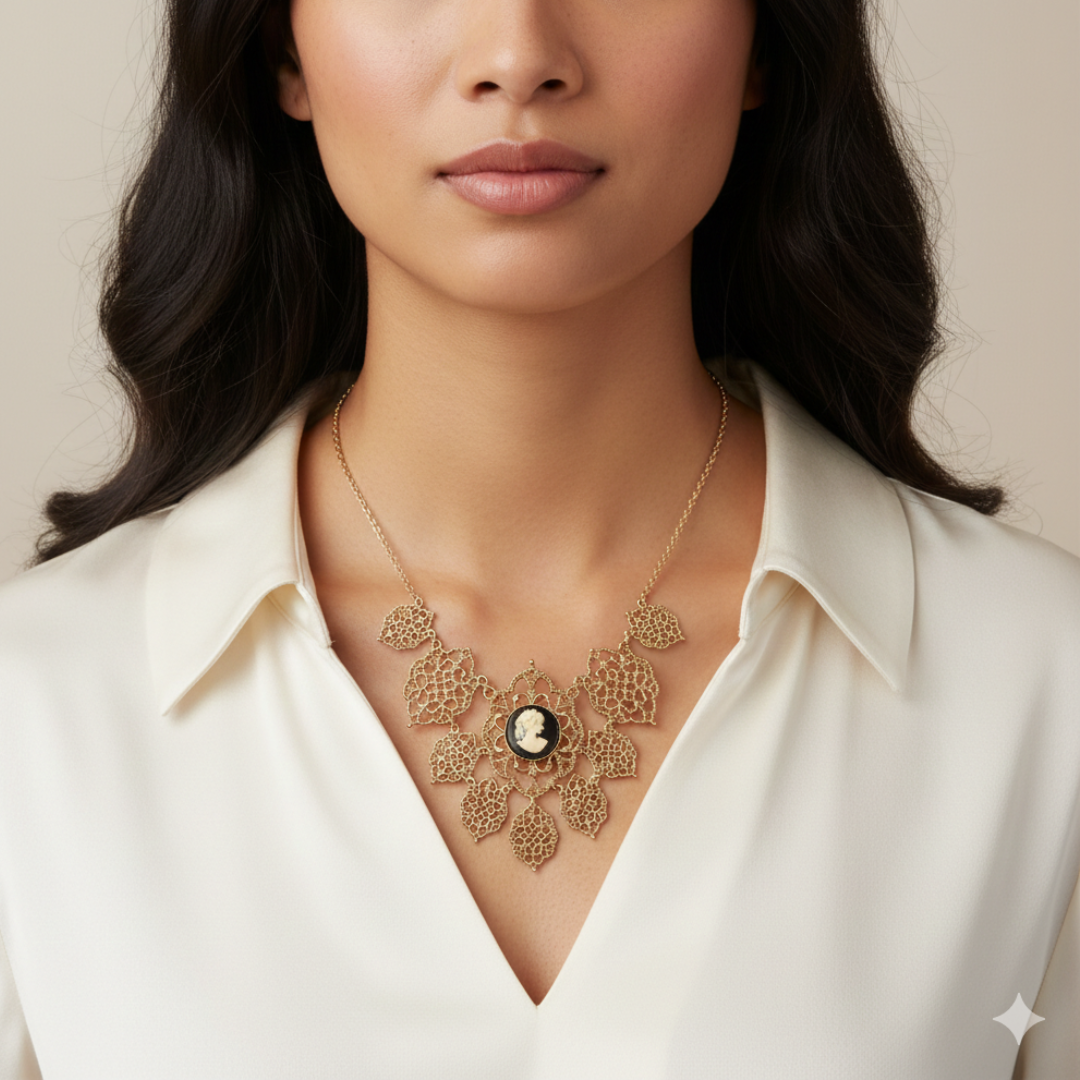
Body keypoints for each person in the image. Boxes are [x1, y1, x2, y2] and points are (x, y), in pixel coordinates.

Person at [0, 0, 1076, 1075]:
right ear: (285, 49)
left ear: (767, 40)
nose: (519, 58)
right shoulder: (37, 708)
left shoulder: (1042, 681)